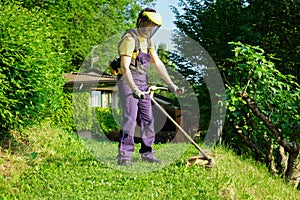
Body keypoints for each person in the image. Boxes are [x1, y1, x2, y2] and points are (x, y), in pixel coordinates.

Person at [117, 8, 182, 166]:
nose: (150, 29)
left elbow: (158, 63)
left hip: (142, 83)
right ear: (141, 21)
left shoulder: (148, 42)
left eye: (153, 26)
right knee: (130, 119)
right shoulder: (129, 39)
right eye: (148, 24)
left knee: (148, 119)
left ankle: (147, 153)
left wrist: (171, 84)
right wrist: (133, 88)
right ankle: (124, 156)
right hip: (128, 82)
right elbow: (124, 67)